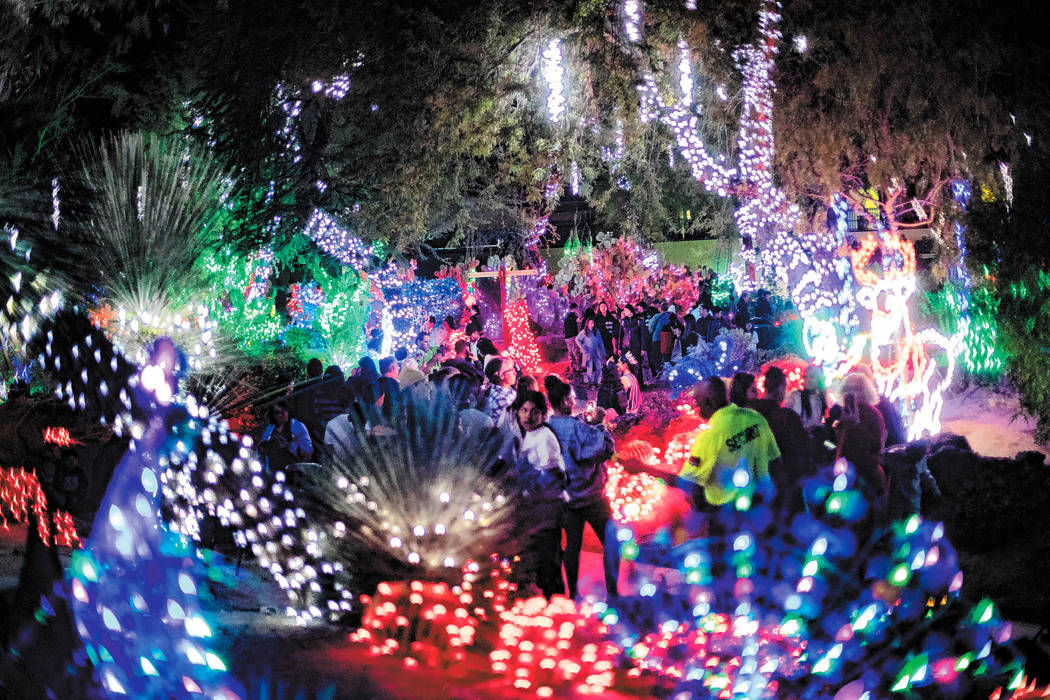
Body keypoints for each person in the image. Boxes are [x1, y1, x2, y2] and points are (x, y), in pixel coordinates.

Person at [623, 377, 779, 512]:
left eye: (698, 402)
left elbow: (686, 483)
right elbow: (775, 459)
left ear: (708, 402)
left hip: (730, 515)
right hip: (767, 505)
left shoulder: (709, 437)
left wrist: (641, 468)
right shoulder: (754, 418)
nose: (697, 409)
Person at [545, 376, 619, 599]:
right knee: (611, 542)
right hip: (591, 496)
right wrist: (600, 424)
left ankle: (573, 594)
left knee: (572, 547)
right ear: (567, 401)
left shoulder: (548, 427)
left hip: (566, 498)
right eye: (573, 398)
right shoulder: (577, 428)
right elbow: (598, 451)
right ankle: (613, 591)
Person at [511, 390, 568, 599]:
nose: (527, 416)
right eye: (524, 410)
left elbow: (553, 474)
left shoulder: (544, 436)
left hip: (547, 509)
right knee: (544, 557)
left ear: (543, 414)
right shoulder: (531, 434)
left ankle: (556, 604)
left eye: (534, 412)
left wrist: (530, 488)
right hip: (538, 508)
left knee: (548, 560)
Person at [750, 367, 809, 508]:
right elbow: (801, 451)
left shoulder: (750, 415)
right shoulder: (787, 417)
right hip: (785, 484)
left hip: (757, 485)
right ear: (781, 388)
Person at [831, 373, 888, 507]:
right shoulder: (842, 413)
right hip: (847, 475)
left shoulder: (873, 414)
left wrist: (856, 425)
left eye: (856, 389)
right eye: (848, 389)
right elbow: (839, 445)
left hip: (867, 476)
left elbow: (876, 446)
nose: (852, 393)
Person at [260, 401, 313, 471]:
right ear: (273, 415)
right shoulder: (270, 428)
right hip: (274, 469)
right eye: (277, 413)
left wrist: (288, 446)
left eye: (284, 411)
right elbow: (262, 446)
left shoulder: (297, 425)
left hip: (294, 468)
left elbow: (307, 450)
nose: (282, 414)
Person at [787, 364, 829, 431]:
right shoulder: (795, 396)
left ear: (819, 380)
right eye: (806, 377)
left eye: (812, 377)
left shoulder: (822, 400)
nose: (808, 380)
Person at [483, 357, 518, 427]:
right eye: (511, 370)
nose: (515, 373)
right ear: (501, 375)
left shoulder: (505, 389)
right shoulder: (502, 400)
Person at [619, 305, 646, 389]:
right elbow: (620, 335)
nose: (624, 312)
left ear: (630, 311)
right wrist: (619, 347)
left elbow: (642, 335)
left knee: (636, 366)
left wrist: (643, 348)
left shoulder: (639, 321)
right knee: (627, 366)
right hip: (626, 347)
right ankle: (629, 385)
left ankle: (639, 384)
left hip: (636, 347)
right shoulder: (623, 322)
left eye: (626, 310)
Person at [575, 318, 607, 387]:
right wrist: (582, 347)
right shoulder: (584, 332)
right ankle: (590, 383)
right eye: (590, 323)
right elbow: (577, 339)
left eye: (592, 323)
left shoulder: (596, 331)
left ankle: (595, 382)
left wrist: (603, 352)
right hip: (588, 352)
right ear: (587, 324)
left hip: (596, 351)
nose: (591, 325)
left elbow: (601, 342)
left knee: (599, 368)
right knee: (590, 369)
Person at [563, 302, 582, 375]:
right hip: (573, 336)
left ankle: (572, 366)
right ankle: (578, 367)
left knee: (570, 351)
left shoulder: (566, 316)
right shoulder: (573, 316)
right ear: (575, 309)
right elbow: (579, 320)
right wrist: (579, 313)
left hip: (567, 337)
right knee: (575, 351)